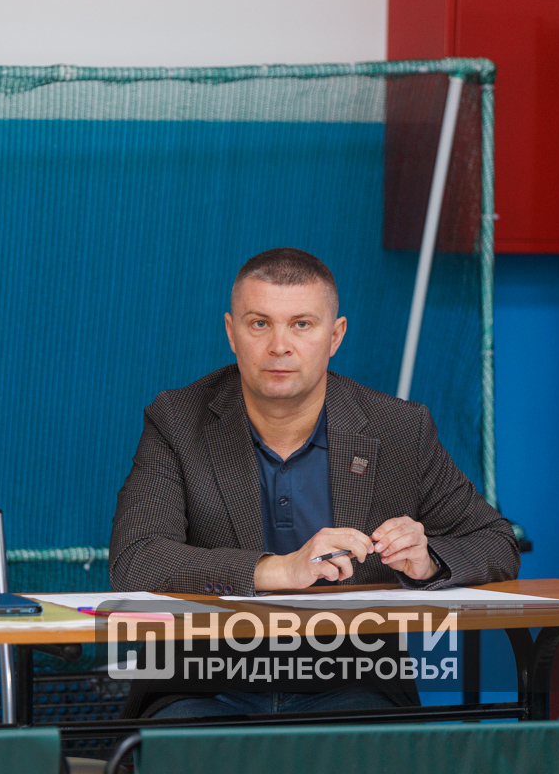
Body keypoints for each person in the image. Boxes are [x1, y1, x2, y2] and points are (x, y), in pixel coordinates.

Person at [109, 247, 519, 719]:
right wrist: (279, 571)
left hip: (353, 680)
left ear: (335, 335)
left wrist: (427, 562)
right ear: (231, 332)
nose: (279, 345)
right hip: (203, 683)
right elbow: (136, 560)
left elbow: (496, 543)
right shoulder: (178, 420)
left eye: (301, 324)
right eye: (259, 324)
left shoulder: (399, 429)